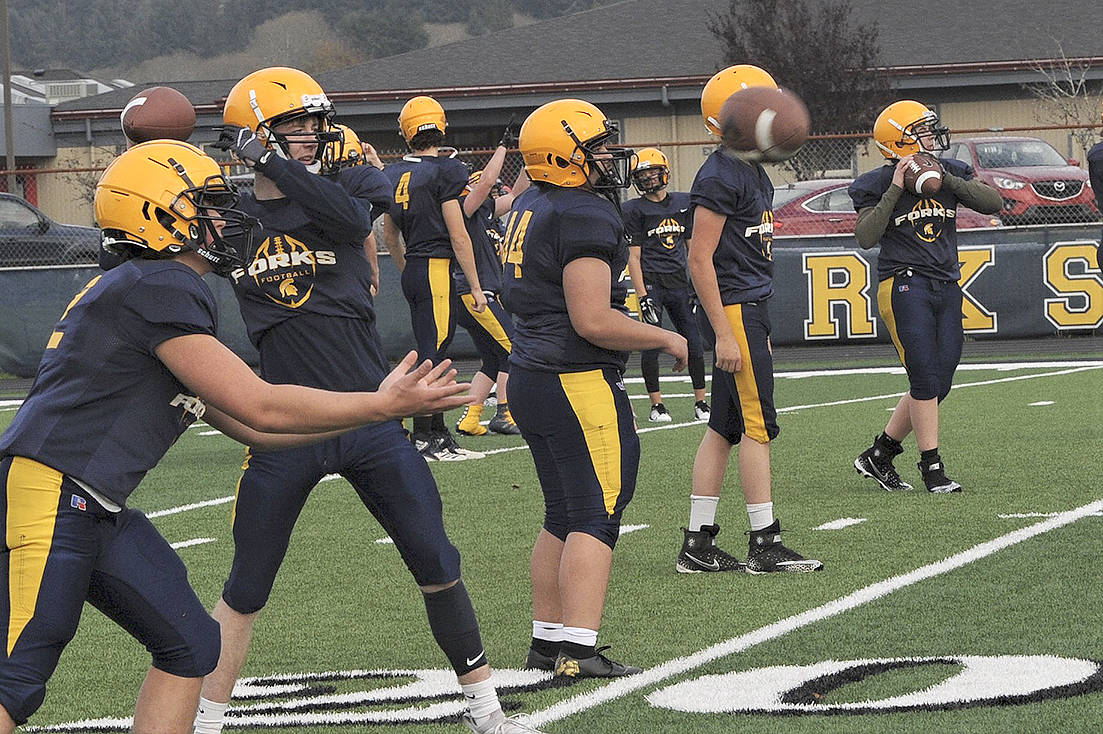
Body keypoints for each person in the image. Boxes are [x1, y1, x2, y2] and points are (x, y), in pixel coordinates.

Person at [0, 140, 470, 733]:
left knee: (192, 644)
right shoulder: (158, 287)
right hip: (51, 497)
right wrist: (380, 403)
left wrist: (371, 419)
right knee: (17, 680)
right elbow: (260, 404)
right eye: (206, 205)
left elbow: (251, 428)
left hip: (91, 503)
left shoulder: (146, 286)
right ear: (158, 214)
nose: (222, 218)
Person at [195, 68, 542, 734]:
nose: (310, 135)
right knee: (246, 586)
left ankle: (486, 712)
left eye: (312, 123)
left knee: (435, 561)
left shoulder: (350, 183)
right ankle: (206, 721)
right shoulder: (231, 220)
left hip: (371, 412)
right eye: (291, 125)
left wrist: (266, 156)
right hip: (286, 423)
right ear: (249, 133)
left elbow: (350, 217)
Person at [504, 99, 688, 680]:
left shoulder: (531, 202)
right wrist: (666, 338)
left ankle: (547, 642)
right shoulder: (583, 213)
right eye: (597, 148)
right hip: (574, 378)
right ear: (565, 156)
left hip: (531, 375)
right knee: (596, 510)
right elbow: (592, 319)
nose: (609, 157)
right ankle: (579, 651)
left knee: (561, 512)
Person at [678, 64, 824, 575]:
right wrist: (723, 332)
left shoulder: (746, 169)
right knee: (758, 428)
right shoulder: (720, 173)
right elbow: (699, 258)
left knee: (723, 427)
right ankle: (765, 541)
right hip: (735, 310)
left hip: (745, 305)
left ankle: (697, 543)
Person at [850, 100, 1002, 494]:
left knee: (941, 381)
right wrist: (898, 186)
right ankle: (931, 467)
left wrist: (945, 179)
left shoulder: (950, 172)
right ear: (899, 140)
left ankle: (880, 453)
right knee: (924, 377)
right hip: (903, 284)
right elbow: (866, 237)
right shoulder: (875, 182)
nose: (933, 136)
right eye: (923, 130)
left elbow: (993, 203)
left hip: (946, 283)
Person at [382, 95, 486, 460]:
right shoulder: (446, 170)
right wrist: (475, 285)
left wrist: (404, 266)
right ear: (439, 126)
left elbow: (389, 231)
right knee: (434, 355)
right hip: (437, 268)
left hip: (415, 269)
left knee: (431, 349)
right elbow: (459, 234)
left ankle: (432, 434)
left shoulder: (394, 173)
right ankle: (428, 436)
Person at [454, 125, 531, 438]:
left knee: (493, 359)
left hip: (478, 295)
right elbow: (486, 184)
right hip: (475, 294)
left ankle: (471, 418)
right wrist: (502, 146)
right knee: (514, 350)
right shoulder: (461, 209)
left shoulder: (481, 213)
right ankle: (504, 412)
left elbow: (514, 196)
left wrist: (531, 159)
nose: (494, 191)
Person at [623, 147, 710, 423]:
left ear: (665, 173)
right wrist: (643, 295)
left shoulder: (682, 204)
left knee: (694, 342)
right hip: (652, 284)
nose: (648, 178)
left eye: (652, 172)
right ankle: (656, 404)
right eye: (643, 174)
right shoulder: (634, 210)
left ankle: (701, 401)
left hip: (679, 284)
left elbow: (692, 250)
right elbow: (633, 258)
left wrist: (697, 286)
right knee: (651, 344)